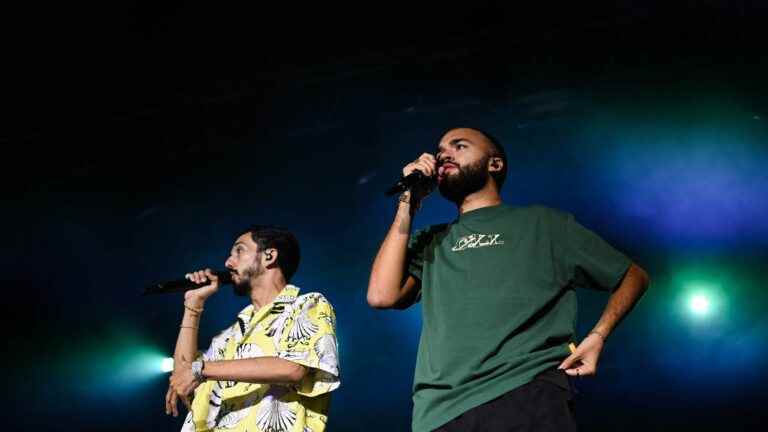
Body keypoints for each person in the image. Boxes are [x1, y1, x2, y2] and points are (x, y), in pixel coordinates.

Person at [367, 127, 650, 432]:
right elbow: (381, 296)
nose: (444, 155)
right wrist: (408, 201)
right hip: (438, 412)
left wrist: (598, 336)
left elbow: (632, 275)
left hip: (525, 391)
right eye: (440, 151)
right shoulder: (432, 241)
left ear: (495, 164)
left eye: (459, 146)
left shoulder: (543, 224)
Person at [166, 225, 340, 432]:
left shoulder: (307, 305)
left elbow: (293, 367)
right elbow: (182, 378)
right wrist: (192, 305)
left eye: (239, 251)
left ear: (269, 255)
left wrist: (202, 370)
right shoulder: (228, 335)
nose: (228, 262)